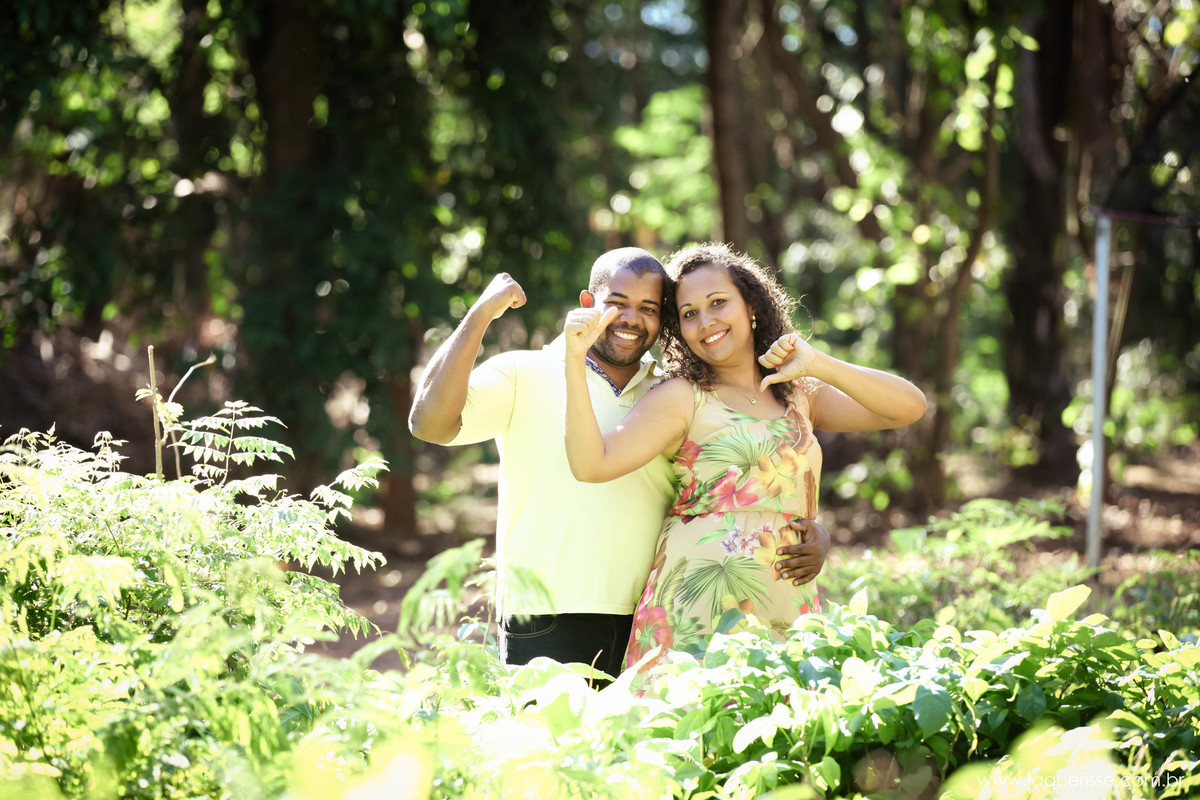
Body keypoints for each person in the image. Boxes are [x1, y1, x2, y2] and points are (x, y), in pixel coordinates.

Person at [408, 247, 831, 681]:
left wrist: (810, 530)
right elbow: (429, 423)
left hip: (657, 612)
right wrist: (481, 314)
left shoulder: (674, 390)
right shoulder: (524, 371)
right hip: (550, 616)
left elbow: (730, 480)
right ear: (587, 302)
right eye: (618, 304)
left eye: (648, 309)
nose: (633, 319)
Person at [563, 242, 927, 678]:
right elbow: (591, 464)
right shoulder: (681, 397)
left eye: (718, 303)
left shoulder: (796, 393)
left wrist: (816, 363)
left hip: (786, 597)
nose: (706, 322)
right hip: (698, 603)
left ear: (751, 305)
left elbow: (908, 407)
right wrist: (573, 358)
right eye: (689, 313)